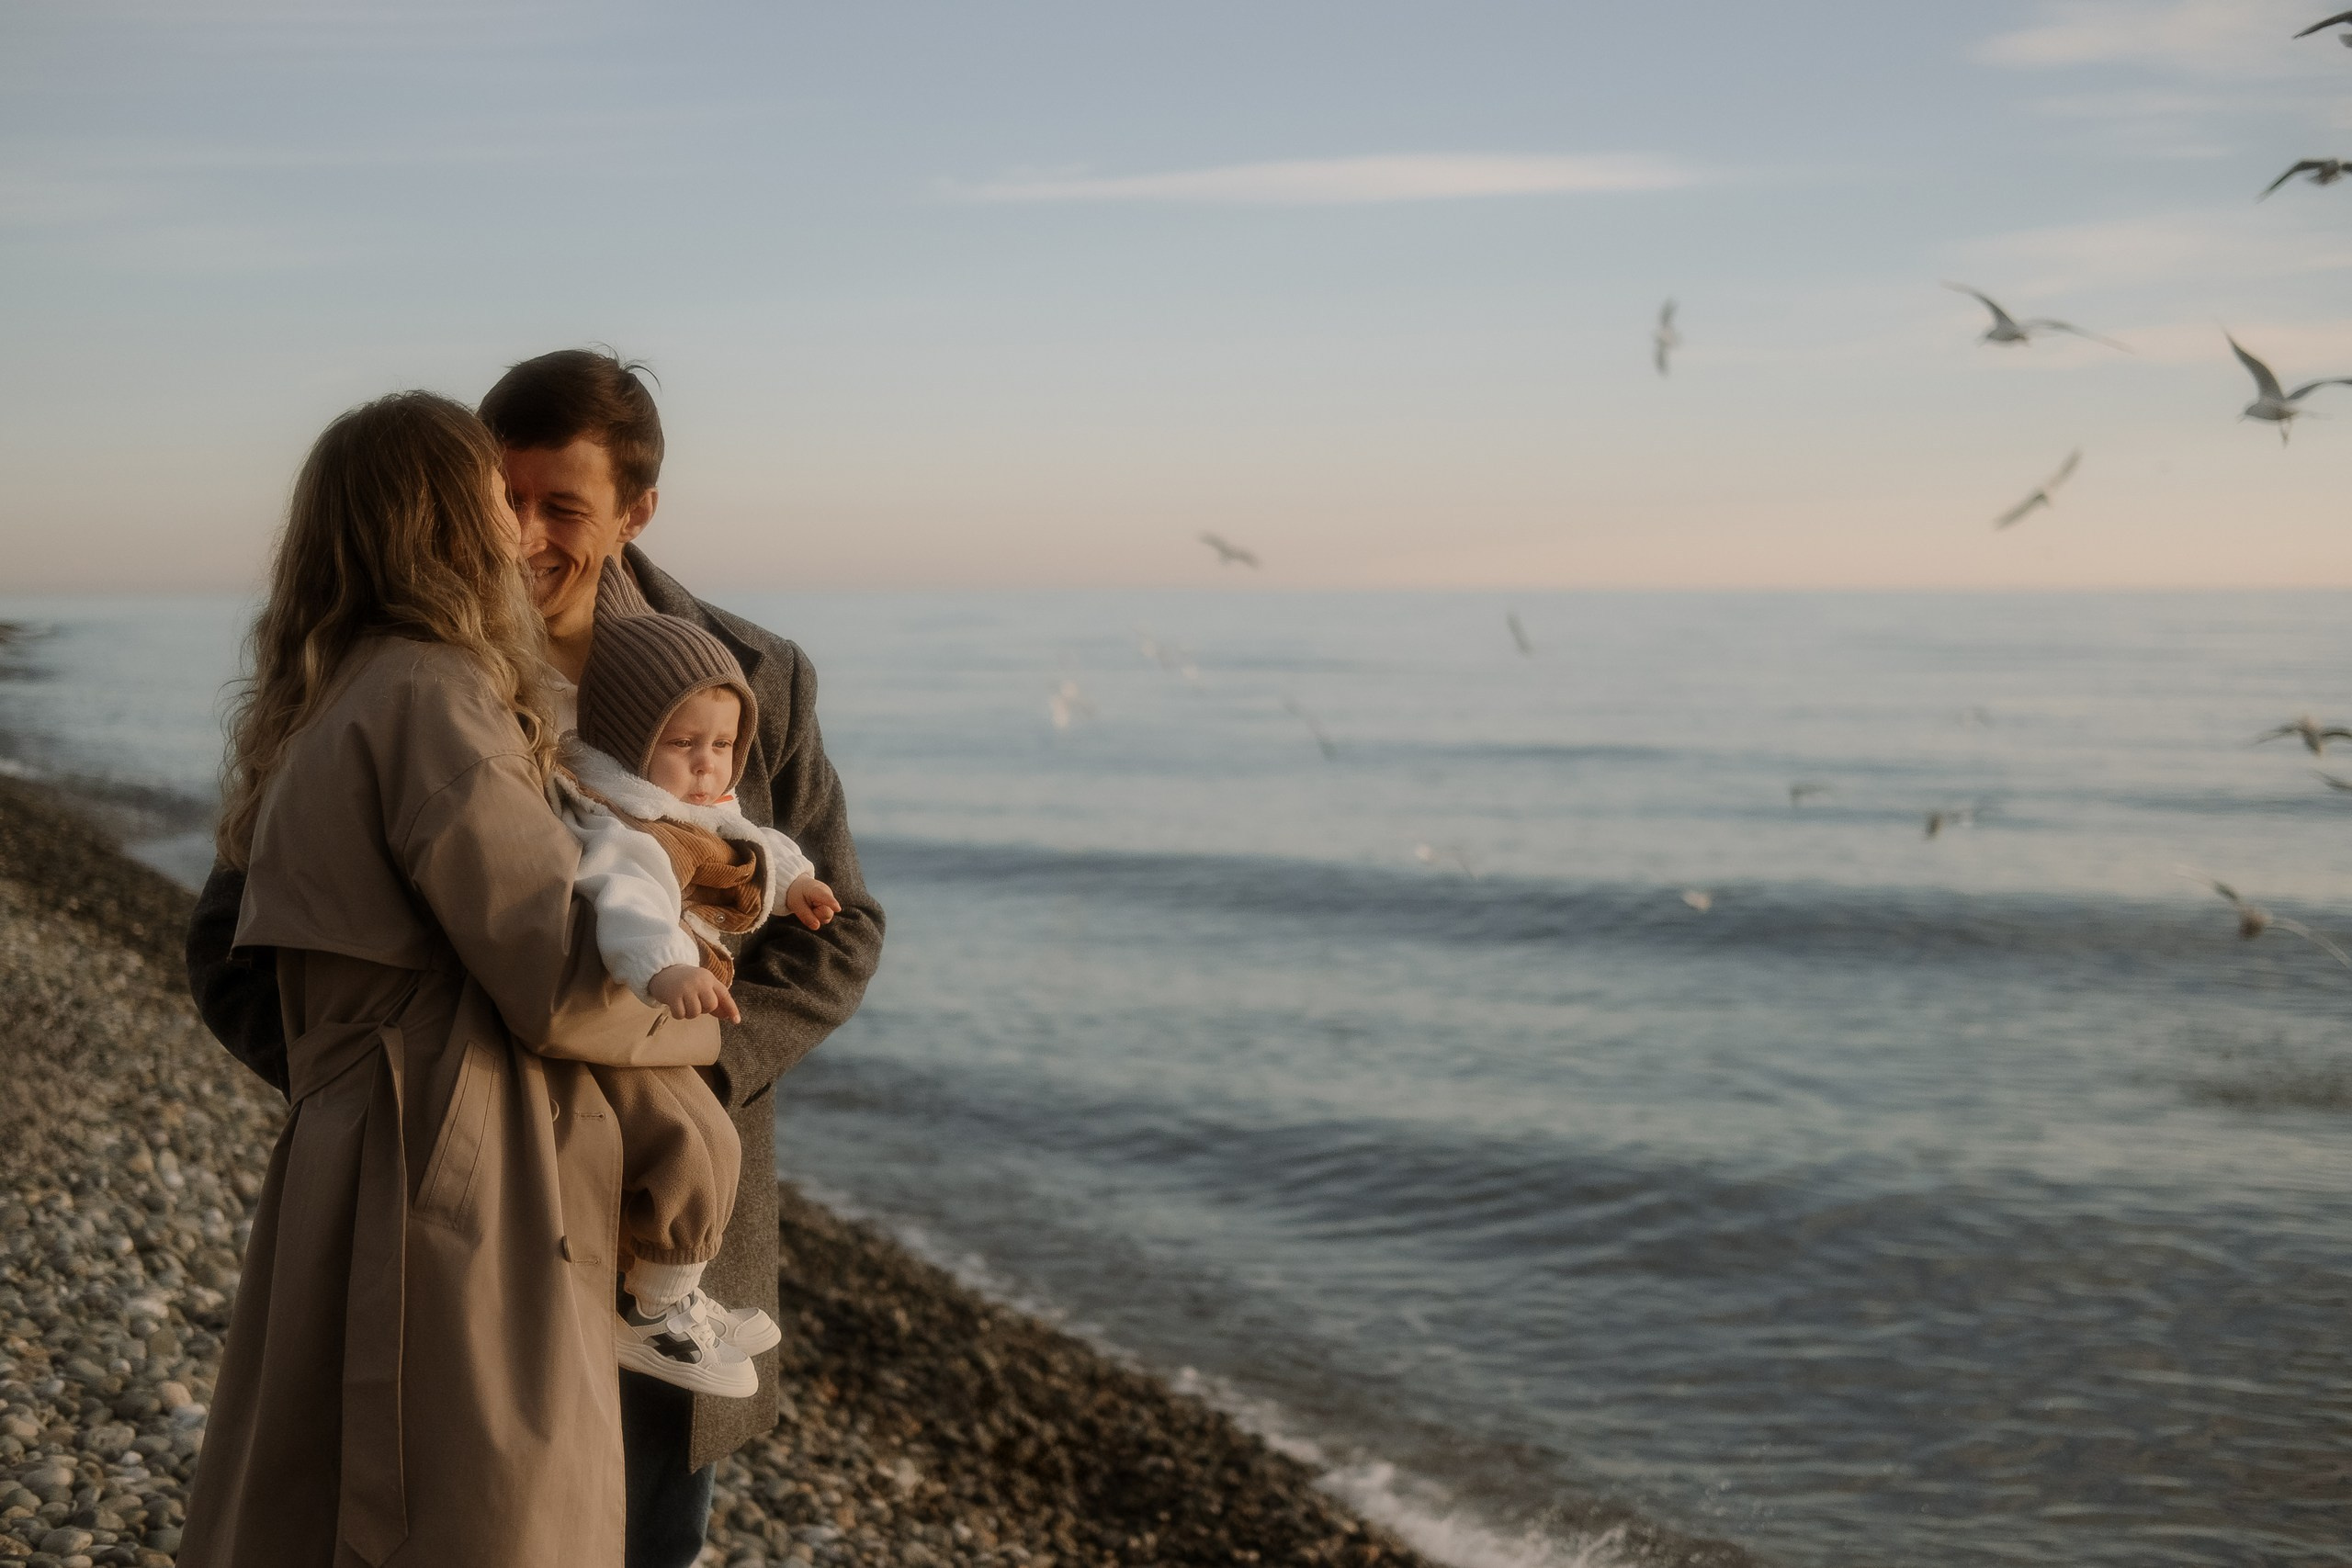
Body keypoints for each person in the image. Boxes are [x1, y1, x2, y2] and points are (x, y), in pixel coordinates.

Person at [187, 351, 887, 1568]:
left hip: (668, 1205)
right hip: (471, 1190)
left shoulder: (752, 672)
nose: (524, 531)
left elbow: (842, 927)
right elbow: (237, 937)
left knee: (636, 1528)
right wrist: (411, 1111)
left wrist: (687, 1079)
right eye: (502, 496)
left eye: (561, 505)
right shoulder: (424, 670)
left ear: (635, 514)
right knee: (468, 1505)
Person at [556, 608, 844, 1394]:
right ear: (630, 742)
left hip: (675, 1022)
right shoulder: (625, 823)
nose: (707, 765)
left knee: (711, 1146)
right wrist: (666, 971)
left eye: (722, 745)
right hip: (643, 1010)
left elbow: (752, 842)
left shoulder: (690, 804)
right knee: (695, 1146)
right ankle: (654, 1311)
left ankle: (675, 1291)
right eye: (684, 743)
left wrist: (797, 883)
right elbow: (631, 903)